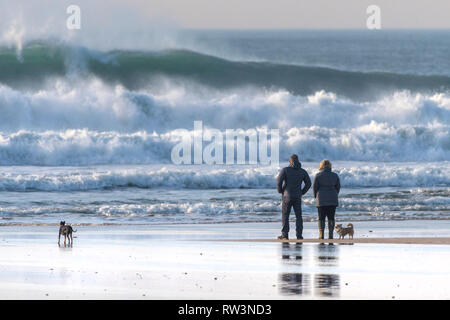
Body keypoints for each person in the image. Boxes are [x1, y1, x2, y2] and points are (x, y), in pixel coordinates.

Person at [276, 154, 311, 240]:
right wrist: (302, 192)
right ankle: (299, 235)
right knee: (298, 216)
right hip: (297, 196)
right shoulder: (302, 171)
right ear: (298, 161)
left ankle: (285, 235)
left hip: (287, 196)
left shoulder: (285, 170)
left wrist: (280, 191)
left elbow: (278, 182)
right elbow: (309, 183)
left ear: (290, 161)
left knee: (285, 215)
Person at [313, 159, 340, 239]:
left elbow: (315, 188)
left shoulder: (318, 175)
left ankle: (321, 234)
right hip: (332, 199)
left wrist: (316, 197)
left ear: (321, 166)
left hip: (321, 199)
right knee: (331, 217)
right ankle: (331, 234)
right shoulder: (335, 175)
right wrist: (334, 194)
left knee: (321, 217)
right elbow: (338, 187)